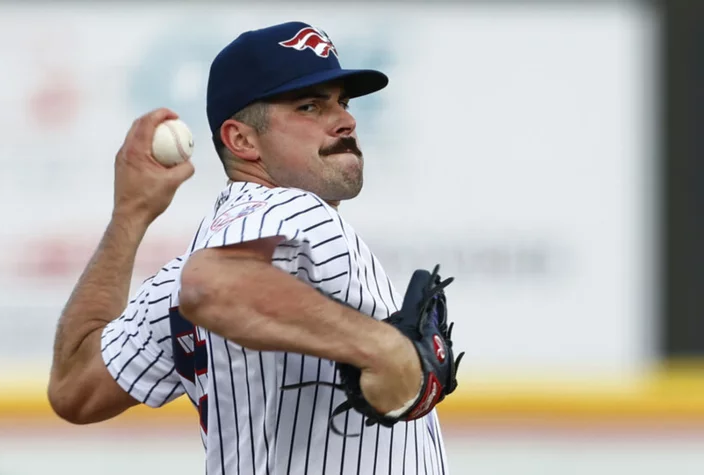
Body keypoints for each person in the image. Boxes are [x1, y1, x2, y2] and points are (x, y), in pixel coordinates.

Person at [48, 21, 452, 474]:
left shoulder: (178, 282)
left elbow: (74, 386)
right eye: (308, 106)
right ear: (242, 140)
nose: (346, 120)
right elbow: (213, 287)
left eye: (342, 101)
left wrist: (129, 216)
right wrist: (383, 349)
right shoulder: (293, 209)